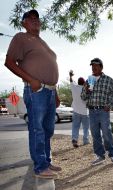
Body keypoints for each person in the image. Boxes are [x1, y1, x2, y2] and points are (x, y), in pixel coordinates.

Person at [4, 9, 61, 178]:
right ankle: (40, 167)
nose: (35, 20)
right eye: (30, 18)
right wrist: (32, 80)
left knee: (48, 130)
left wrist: (55, 92)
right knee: (37, 130)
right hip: (36, 90)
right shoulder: (20, 37)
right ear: (24, 23)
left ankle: (46, 161)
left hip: (49, 91)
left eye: (37, 18)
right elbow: (9, 62)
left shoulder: (42, 42)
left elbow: (49, 66)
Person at [85, 58, 113, 165]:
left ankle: (112, 154)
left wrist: (109, 105)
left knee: (106, 133)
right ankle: (100, 156)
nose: (93, 68)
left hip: (103, 111)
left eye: (96, 66)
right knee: (95, 134)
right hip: (92, 111)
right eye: (92, 66)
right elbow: (83, 96)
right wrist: (86, 91)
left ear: (101, 67)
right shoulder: (88, 80)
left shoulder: (108, 80)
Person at [69, 70, 90, 148]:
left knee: (75, 127)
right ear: (84, 83)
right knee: (86, 128)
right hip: (85, 112)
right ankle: (86, 140)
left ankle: (74, 139)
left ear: (78, 82)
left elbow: (71, 81)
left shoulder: (74, 87)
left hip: (76, 111)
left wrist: (71, 76)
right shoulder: (86, 90)